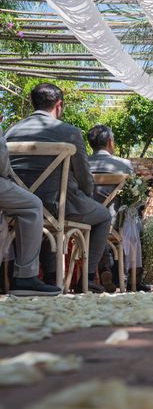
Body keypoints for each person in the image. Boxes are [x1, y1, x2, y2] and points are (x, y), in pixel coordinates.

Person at [6, 83, 111, 294]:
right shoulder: (69, 132)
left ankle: (51, 276)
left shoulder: (10, 131)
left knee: (45, 219)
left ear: (32, 103)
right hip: (61, 204)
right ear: (59, 105)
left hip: (16, 205)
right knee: (104, 216)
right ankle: (88, 277)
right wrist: (86, 197)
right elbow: (84, 178)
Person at [87, 124, 151, 293]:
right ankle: (134, 278)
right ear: (110, 142)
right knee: (136, 223)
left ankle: (104, 269)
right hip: (114, 223)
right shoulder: (124, 164)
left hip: (82, 222)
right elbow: (133, 199)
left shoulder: (82, 163)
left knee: (97, 229)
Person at [0, 127, 60, 296]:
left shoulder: (14, 130)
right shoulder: (69, 131)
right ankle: (26, 276)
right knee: (32, 206)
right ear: (59, 105)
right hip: (54, 204)